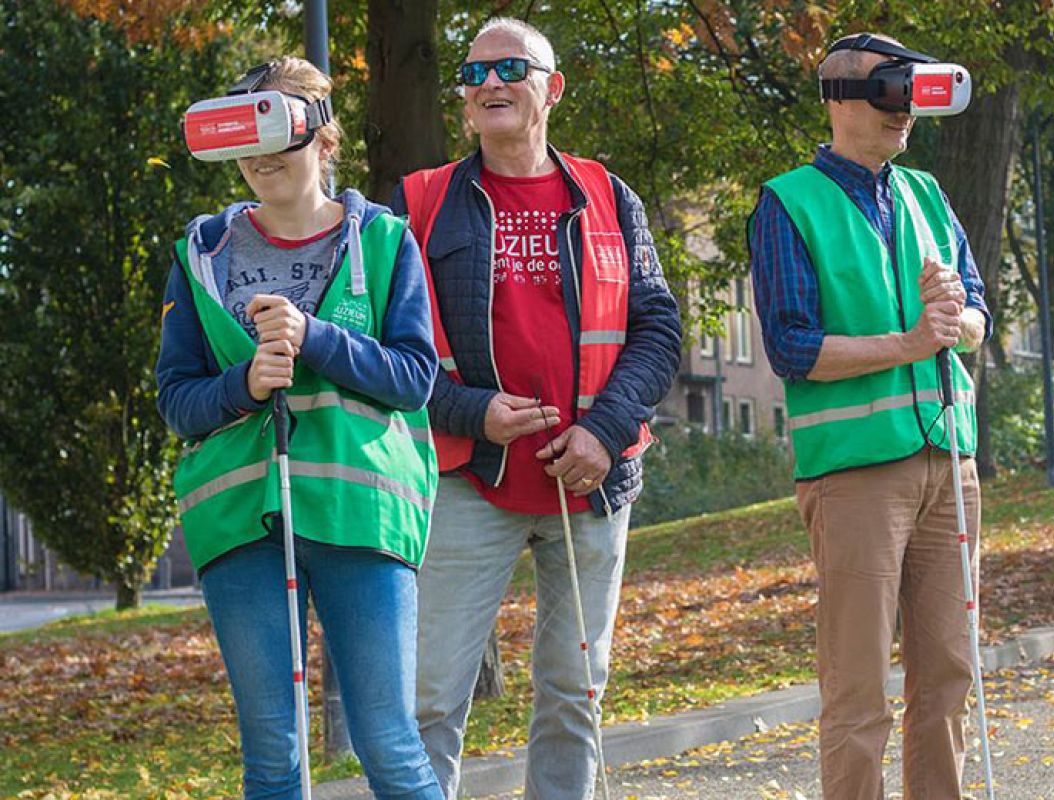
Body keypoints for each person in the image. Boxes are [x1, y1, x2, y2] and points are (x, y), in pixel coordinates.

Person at [391, 18, 681, 799]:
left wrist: (604, 431)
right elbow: (386, 347)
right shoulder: (419, 202)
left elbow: (658, 326)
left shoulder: (608, 194)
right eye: (475, 71)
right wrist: (467, 411)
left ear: (550, 88)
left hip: (591, 482)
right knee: (427, 699)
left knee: (573, 692)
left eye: (510, 68)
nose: (490, 83)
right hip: (465, 478)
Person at [157, 57, 443, 798]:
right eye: (243, 130)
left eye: (276, 126)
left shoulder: (383, 241)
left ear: (322, 138)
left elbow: (415, 378)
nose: (259, 152)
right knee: (273, 755)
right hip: (240, 523)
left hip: (361, 516)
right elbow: (177, 402)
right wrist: (244, 385)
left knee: (388, 740)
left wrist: (313, 337)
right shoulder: (202, 253)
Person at [748, 33, 993, 799]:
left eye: (912, 95)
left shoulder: (925, 193)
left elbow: (978, 315)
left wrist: (958, 318)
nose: (904, 112)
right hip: (856, 475)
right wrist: (914, 340)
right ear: (838, 97)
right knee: (857, 690)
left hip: (948, 462)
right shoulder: (789, 202)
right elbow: (793, 348)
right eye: (890, 92)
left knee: (950, 674)